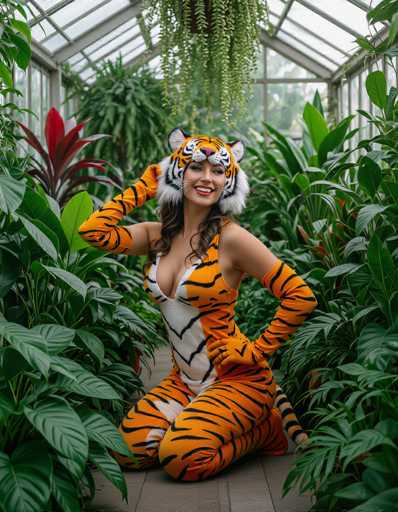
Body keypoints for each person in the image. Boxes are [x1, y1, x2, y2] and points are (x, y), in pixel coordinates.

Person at [78, 128, 318, 482]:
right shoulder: (155, 234)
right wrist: (145, 187)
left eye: (219, 171)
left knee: (182, 459)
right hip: (184, 380)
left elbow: (300, 295)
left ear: (229, 181)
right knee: (122, 451)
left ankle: (267, 427)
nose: (207, 178)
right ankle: (201, 418)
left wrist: (257, 350)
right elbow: (92, 232)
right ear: (177, 171)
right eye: (195, 167)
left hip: (237, 379)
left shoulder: (233, 239)